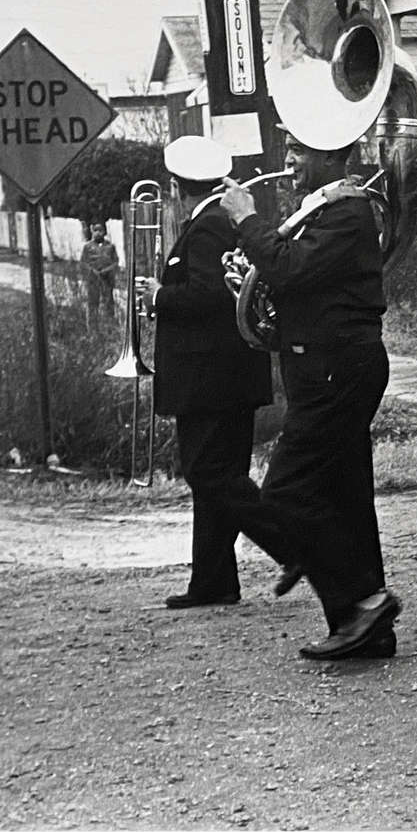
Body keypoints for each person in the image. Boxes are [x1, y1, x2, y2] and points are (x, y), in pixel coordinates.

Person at [218, 128, 400, 660]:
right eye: (290, 149)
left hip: (335, 368)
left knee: (287, 493)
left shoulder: (347, 210)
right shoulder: (320, 210)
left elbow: (289, 269)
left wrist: (246, 221)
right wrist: (251, 282)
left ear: (331, 154)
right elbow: (296, 283)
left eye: (300, 150)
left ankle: (364, 601)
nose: (290, 160)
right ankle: (365, 629)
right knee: (343, 498)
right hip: (322, 365)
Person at [141, 136, 274, 610]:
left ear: (177, 188)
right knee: (216, 477)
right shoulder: (218, 221)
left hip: (212, 377)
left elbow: (211, 296)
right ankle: (213, 581)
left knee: (211, 474)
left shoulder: (209, 227)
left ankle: (293, 546)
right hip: (221, 375)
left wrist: (158, 296)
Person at [80, 221, 118, 320]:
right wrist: (92, 271)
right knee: (93, 302)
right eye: (95, 230)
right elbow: (84, 262)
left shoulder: (110, 247)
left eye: (100, 230)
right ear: (92, 232)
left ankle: (109, 323)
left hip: (106, 279)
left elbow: (115, 262)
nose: (97, 233)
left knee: (108, 302)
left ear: (104, 232)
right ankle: (92, 326)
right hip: (93, 280)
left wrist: (107, 270)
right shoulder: (87, 247)